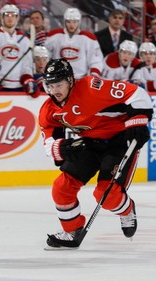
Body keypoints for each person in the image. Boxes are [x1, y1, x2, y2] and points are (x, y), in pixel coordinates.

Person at [39, 58, 153, 249]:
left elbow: (136, 93)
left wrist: (138, 120)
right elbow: (48, 140)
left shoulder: (92, 87)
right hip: (90, 143)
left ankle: (127, 210)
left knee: (106, 195)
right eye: (51, 85)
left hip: (119, 141)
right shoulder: (49, 110)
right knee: (61, 188)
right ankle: (72, 230)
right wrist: (61, 148)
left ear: (70, 80)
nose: (55, 90)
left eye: (59, 84)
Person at [0, 4, 38, 96]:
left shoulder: (24, 39)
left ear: (17, 18)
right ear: (2, 17)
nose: (10, 18)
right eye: (7, 15)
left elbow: (26, 65)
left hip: (18, 87)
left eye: (13, 15)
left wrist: (27, 79)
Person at [45, 8, 103, 80]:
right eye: (68, 22)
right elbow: (45, 56)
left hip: (80, 79)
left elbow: (96, 60)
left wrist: (94, 75)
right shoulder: (54, 35)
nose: (71, 25)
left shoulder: (89, 38)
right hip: (58, 79)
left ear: (79, 22)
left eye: (74, 22)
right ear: (64, 21)